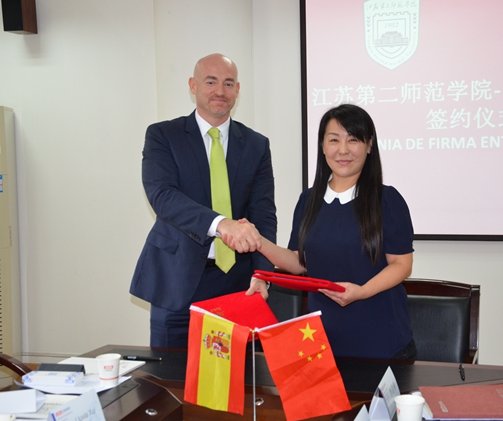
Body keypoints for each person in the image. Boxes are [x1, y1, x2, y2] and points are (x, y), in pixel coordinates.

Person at [130, 53, 277, 348]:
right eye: (211, 82)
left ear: (238, 89)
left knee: (234, 375)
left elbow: (263, 214)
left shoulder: (257, 145)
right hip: (176, 282)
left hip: (237, 284)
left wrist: (262, 274)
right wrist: (221, 224)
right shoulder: (163, 135)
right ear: (193, 85)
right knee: (170, 373)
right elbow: (163, 196)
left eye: (228, 83)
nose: (220, 91)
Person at [250, 103, 416, 360]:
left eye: (353, 140)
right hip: (322, 341)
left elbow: (402, 264)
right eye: (334, 140)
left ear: (369, 146)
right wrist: (259, 241)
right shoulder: (308, 200)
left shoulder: (387, 199)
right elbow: (298, 262)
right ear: (322, 146)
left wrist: (362, 291)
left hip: (381, 341)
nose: (343, 150)